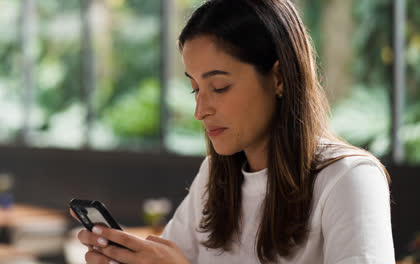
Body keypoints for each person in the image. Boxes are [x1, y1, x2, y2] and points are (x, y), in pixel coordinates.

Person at [73, 0, 395, 263]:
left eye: (219, 86)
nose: (201, 111)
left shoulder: (348, 179)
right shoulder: (214, 179)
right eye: (195, 89)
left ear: (279, 78)